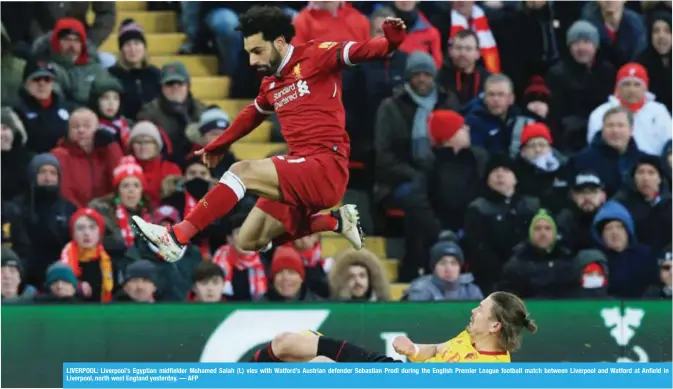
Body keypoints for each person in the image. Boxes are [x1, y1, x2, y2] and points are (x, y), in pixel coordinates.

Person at [132, 6, 408, 262]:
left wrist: (391, 42)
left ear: (278, 42)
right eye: (249, 53)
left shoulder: (317, 55)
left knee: (241, 171)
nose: (252, 60)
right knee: (249, 239)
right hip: (299, 172)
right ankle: (334, 221)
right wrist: (219, 144)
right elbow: (251, 115)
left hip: (326, 167)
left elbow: (365, 50)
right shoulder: (271, 84)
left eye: (257, 51)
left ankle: (177, 237)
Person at [253, 291, 535, 363]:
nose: (474, 310)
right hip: (394, 371)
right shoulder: (470, 335)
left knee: (320, 368)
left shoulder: (495, 372)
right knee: (286, 342)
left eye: (481, 309)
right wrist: (414, 349)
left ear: (495, 325)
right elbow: (438, 349)